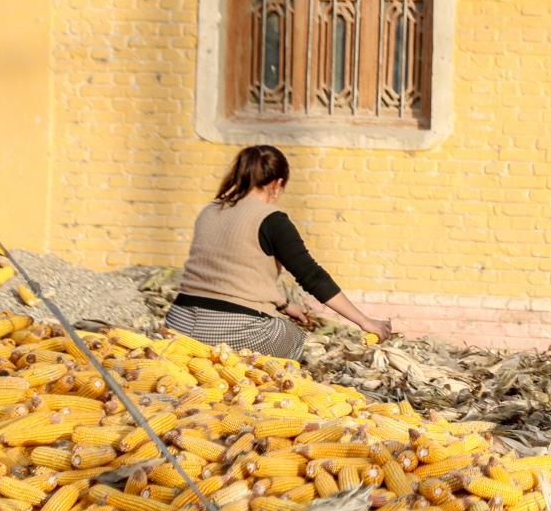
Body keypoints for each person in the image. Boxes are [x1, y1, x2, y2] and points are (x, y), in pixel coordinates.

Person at [165, 145, 392, 360]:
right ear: (277, 183)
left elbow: (229, 275)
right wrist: (365, 321)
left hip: (180, 323)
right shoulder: (271, 219)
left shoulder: (210, 210)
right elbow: (311, 276)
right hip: (232, 331)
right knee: (297, 339)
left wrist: (283, 305)